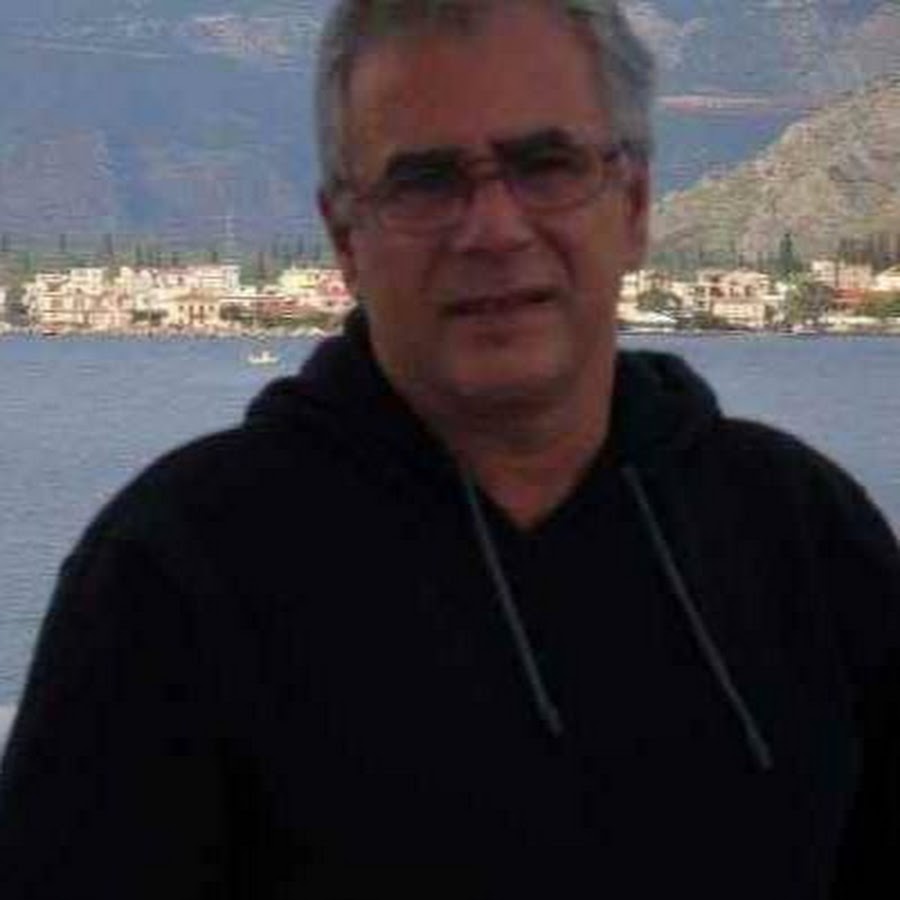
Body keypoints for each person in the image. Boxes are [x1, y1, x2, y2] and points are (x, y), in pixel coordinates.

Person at [1, 1, 899, 897]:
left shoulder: (800, 535)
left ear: (632, 207)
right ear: (345, 239)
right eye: (427, 182)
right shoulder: (173, 575)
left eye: (544, 166)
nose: (494, 229)